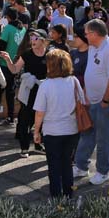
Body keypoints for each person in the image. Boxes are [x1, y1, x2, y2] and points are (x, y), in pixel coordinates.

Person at [73, 19, 109, 186]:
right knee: (87, 133)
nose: (84, 36)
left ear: (94, 34)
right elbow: (90, 72)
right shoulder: (93, 46)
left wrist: (105, 100)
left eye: (86, 33)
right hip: (92, 100)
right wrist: (86, 94)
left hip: (105, 103)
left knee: (103, 138)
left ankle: (103, 172)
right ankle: (80, 166)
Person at [33, 49, 88, 199]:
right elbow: (83, 102)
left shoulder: (46, 85)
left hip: (52, 132)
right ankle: (68, 193)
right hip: (72, 130)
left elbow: (39, 112)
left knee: (54, 165)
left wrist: (36, 131)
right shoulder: (74, 81)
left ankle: (56, 196)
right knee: (67, 163)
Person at [6, 29, 50, 157]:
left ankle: (38, 144)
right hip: (29, 91)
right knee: (25, 118)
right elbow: (14, 70)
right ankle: (24, 147)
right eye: (31, 38)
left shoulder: (50, 55)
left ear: (43, 40)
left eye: (35, 38)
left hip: (44, 90)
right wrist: (8, 60)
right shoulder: (26, 54)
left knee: (42, 119)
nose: (32, 41)